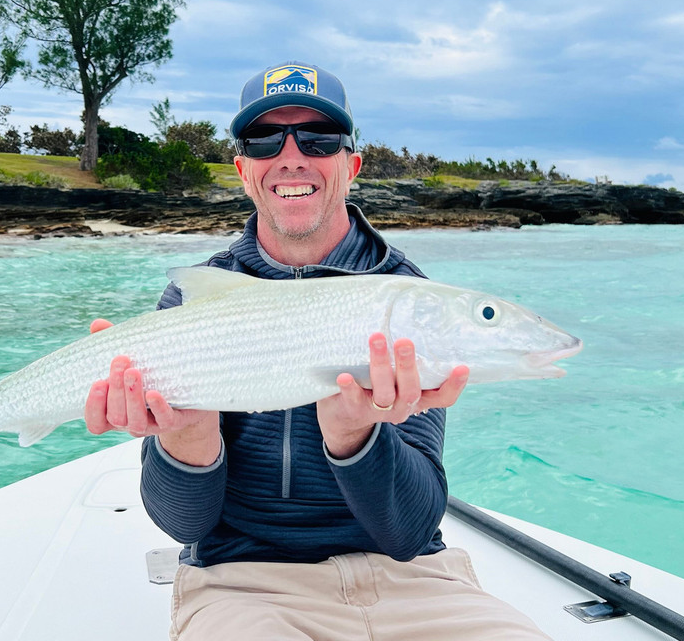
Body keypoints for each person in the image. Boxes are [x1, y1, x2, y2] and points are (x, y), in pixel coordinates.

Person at [83, 61, 550, 640]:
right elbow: (185, 525)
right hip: (243, 585)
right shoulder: (195, 300)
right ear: (244, 171)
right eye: (264, 139)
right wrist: (188, 436)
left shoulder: (407, 300)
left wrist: (355, 437)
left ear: (351, 166)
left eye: (319, 138)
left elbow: (409, 533)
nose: (291, 156)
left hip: (413, 582)